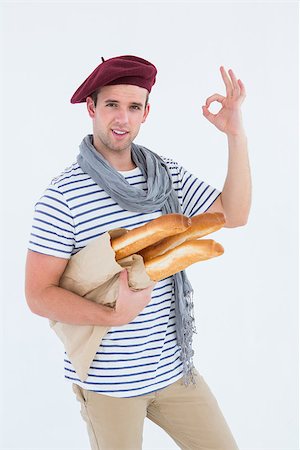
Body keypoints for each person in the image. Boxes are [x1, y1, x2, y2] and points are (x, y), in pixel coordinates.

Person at [25, 55, 251, 450]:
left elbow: (233, 214)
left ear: (146, 113)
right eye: (112, 104)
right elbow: (38, 294)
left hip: (174, 371)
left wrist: (236, 135)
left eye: (133, 107)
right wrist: (113, 315)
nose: (122, 118)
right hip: (109, 383)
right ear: (92, 108)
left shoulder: (166, 175)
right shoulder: (62, 197)